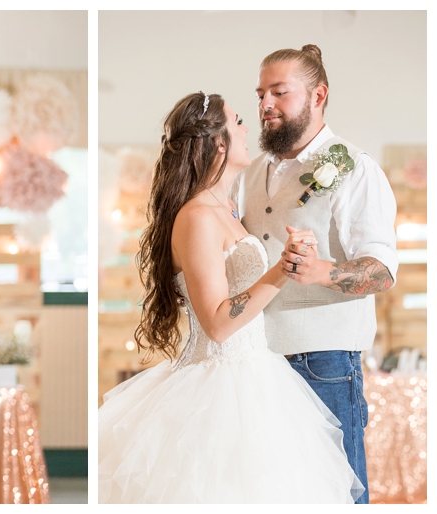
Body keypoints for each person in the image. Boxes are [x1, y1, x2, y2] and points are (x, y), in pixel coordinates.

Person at [97, 92, 363, 503]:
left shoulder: (227, 209)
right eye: (237, 122)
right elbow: (218, 325)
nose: (247, 128)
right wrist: (281, 271)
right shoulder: (198, 216)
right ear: (219, 142)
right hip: (218, 390)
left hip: (260, 375)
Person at [234, 45, 397, 504]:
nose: (265, 105)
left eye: (279, 93)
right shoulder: (249, 175)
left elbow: (382, 270)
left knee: (335, 495)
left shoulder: (357, 168)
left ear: (318, 95)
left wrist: (322, 270)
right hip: (254, 359)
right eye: (261, 94)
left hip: (323, 363)